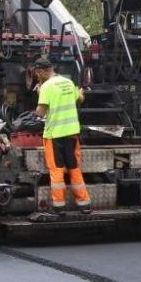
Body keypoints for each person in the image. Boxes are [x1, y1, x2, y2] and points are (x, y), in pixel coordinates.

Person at [33, 57, 92, 215]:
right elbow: (80, 98)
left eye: (37, 73)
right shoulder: (67, 82)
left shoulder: (46, 86)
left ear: (40, 71)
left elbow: (40, 112)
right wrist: (80, 92)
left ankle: (58, 206)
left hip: (55, 134)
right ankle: (84, 204)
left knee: (57, 170)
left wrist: (39, 95)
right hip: (72, 133)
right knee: (74, 168)